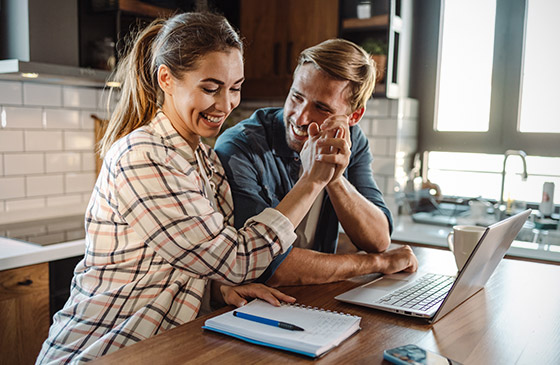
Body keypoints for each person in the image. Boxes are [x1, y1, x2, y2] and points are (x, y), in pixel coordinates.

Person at [37, 13, 338, 364]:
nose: (226, 105)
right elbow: (237, 260)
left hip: (157, 349)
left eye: (235, 88)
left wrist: (219, 288)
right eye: (210, 88)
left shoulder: (203, 160)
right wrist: (312, 180)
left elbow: (177, 266)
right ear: (166, 79)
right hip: (99, 350)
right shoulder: (143, 156)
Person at [215, 39, 418, 286]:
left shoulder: (350, 141)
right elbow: (264, 265)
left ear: (353, 116)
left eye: (321, 108)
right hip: (253, 305)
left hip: (316, 298)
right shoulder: (240, 147)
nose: (300, 117)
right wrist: (378, 263)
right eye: (296, 97)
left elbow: (378, 239)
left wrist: (334, 178)